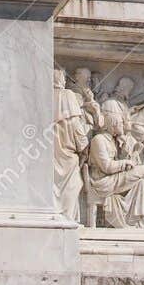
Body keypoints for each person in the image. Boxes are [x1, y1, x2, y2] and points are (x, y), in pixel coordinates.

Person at [85, 103, 144, 227]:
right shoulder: (99, 140)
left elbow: (120, 164)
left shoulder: (112, 141)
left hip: (112, 178)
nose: (123, 126)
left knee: (142, 182)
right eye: (121, 123)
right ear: (113, 124)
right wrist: (125, 162)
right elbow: (107, 167)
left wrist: (134, 153)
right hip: (103, 182)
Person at [53, 68, 92, 222]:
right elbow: (75, 125)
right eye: (63, 77)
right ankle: (67, 218)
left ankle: (56, 216)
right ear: (59, 79)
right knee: (73, 184)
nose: (65, 80)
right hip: (67, 155)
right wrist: (84, 146)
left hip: (48, 154)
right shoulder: (67, 94)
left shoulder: (43, 95)